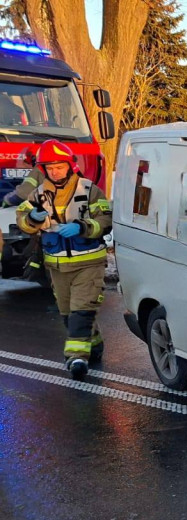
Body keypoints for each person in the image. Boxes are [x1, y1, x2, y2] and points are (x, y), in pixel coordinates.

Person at [15, 139, 111, 379]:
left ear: (70, 165)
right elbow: (22, 220)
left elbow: (106, 220)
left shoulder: (89, 190)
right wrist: (33, 219)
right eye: (50, 168)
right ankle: (94, 343)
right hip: (57, 266)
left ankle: (76, 359)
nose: (55, 171)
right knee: (70, 314)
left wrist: (82, 227)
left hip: (89, 263)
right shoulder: (37, 194)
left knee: (81, 309)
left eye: (59, 166)